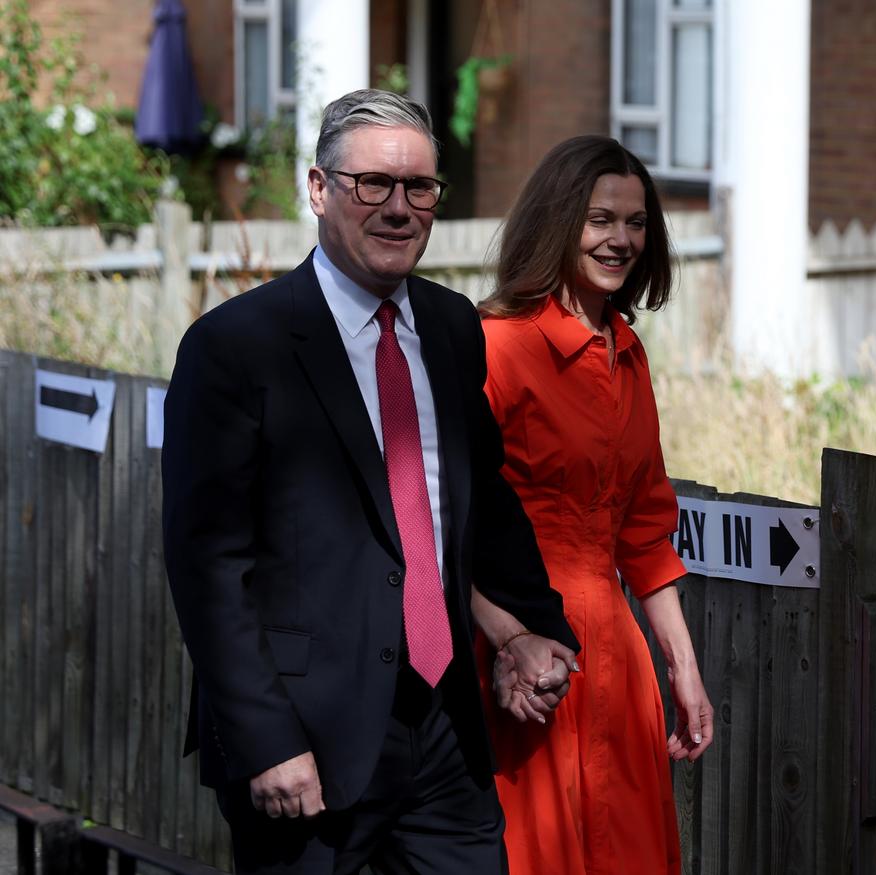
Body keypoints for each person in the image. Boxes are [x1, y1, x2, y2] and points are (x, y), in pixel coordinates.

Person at [161, 88, 579, 875]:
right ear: (319, 189)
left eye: (418, 187)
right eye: (372, 184)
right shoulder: (234, 348)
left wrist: (531, 622)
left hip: (445, 727)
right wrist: (268, 740)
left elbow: (479, 496)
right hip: (308, 742)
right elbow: (207, 565)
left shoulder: (453, 326)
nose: (398, 207)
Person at [474, 136, 715, 875]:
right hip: (524, 653)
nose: (621, 240)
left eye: (637, 223)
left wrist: (682, 664)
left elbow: (644, 529)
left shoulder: (629, 355)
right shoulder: (497, 347)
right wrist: (509, 639)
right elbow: (442, 522)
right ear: (557, 221)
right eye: (600, 219)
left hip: (617, 657)